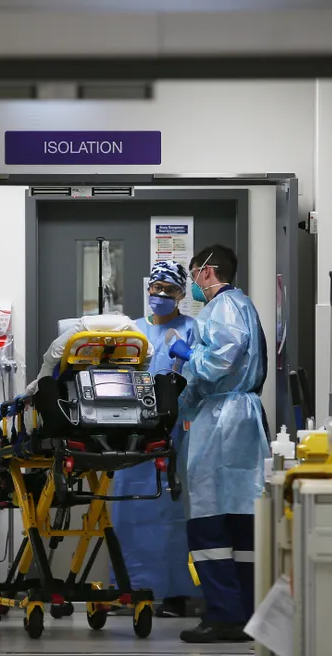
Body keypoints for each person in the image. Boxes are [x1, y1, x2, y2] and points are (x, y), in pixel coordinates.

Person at [166, 245, 269, 643]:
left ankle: (224, 615)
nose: (193, 284)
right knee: (242, 519)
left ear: (207, 273)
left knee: (210, 520)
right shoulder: (242, 305)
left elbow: (220, 360)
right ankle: (246, 614)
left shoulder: (223, 307)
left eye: (193, 275)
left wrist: (187, 355)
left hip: (222, 421)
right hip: (239, 418)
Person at [109, 261, 200, 617]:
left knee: (172, 516)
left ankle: (176, 593)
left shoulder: (193, 330)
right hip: (130, 438)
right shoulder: (131, 332)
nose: (161, 295)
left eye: (170, 290)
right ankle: (127, 589)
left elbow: (200, 378)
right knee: (127, 513)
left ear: (181, 295)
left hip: (175, 436)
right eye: (156, 288)